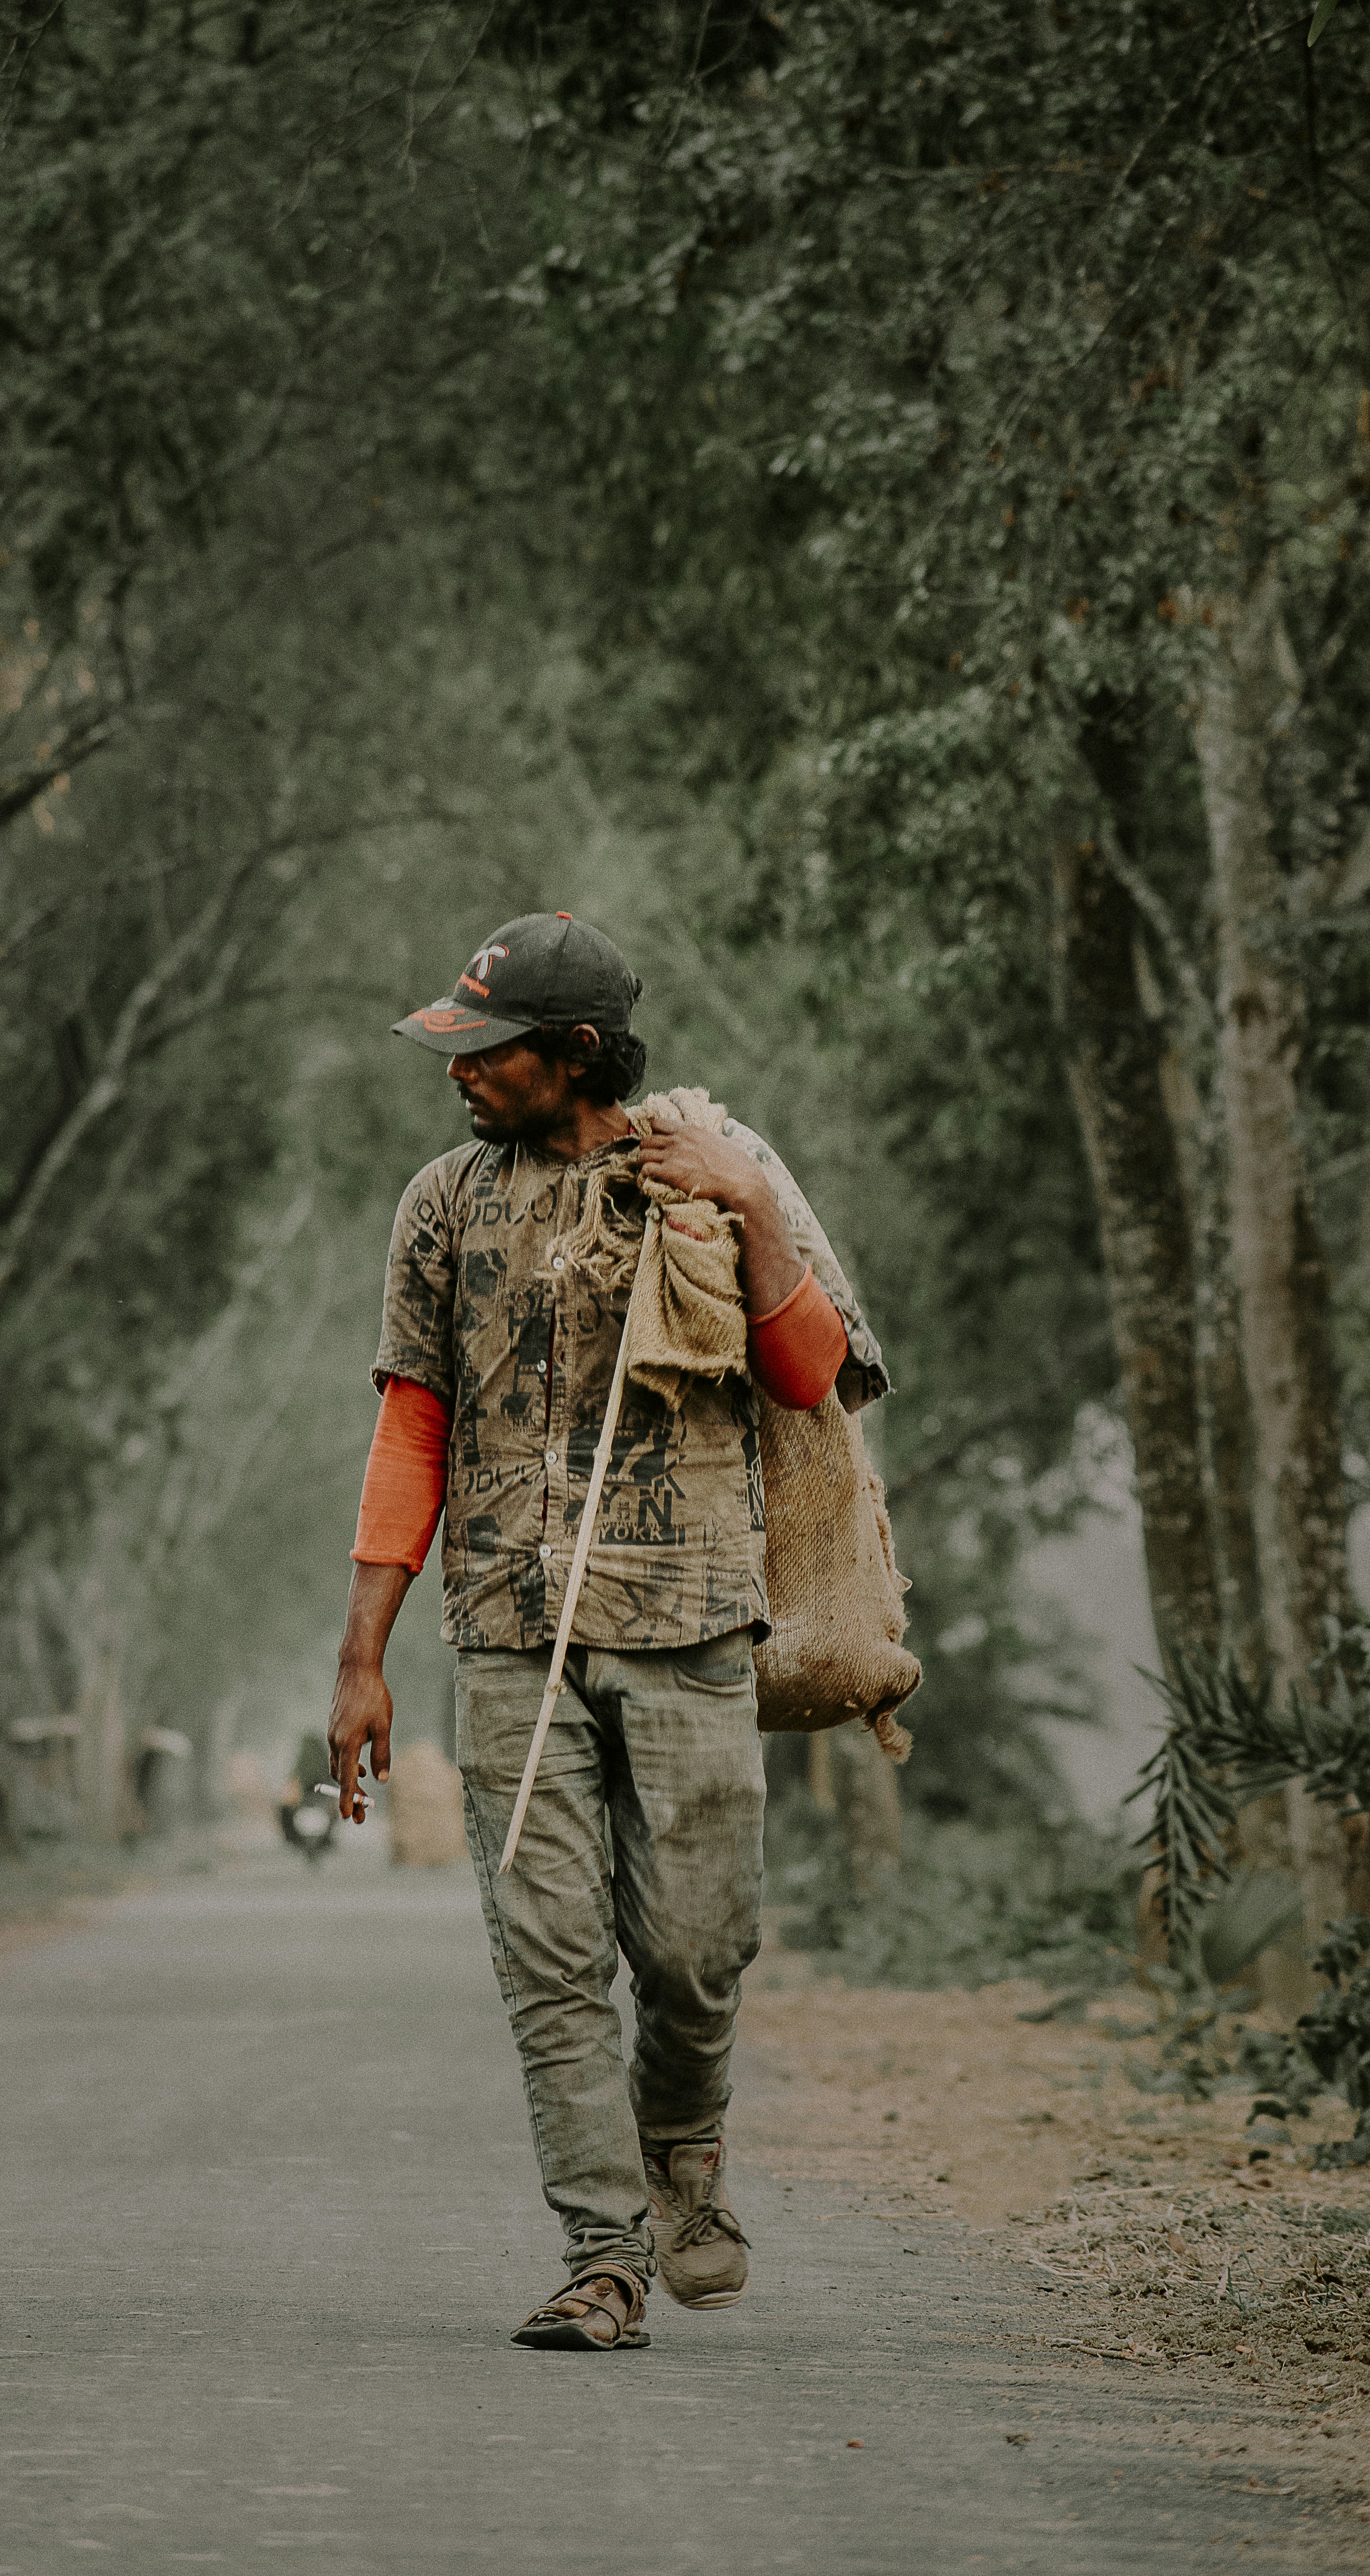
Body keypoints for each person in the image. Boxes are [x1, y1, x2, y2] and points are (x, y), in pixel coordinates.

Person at [327, 911, 888, 2351]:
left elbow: (814, 1375)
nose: (458, 1072)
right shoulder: (443, 1203)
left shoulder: (715, 1177)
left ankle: (684, 2153)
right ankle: (603, 2255)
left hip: (696, 1622)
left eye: (488, 1052)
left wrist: (750, 1213)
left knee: (698, 1951)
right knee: (547, 1953)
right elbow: (412, 1425)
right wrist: (361, 1657)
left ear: (575, 1054)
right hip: (509, 1634)